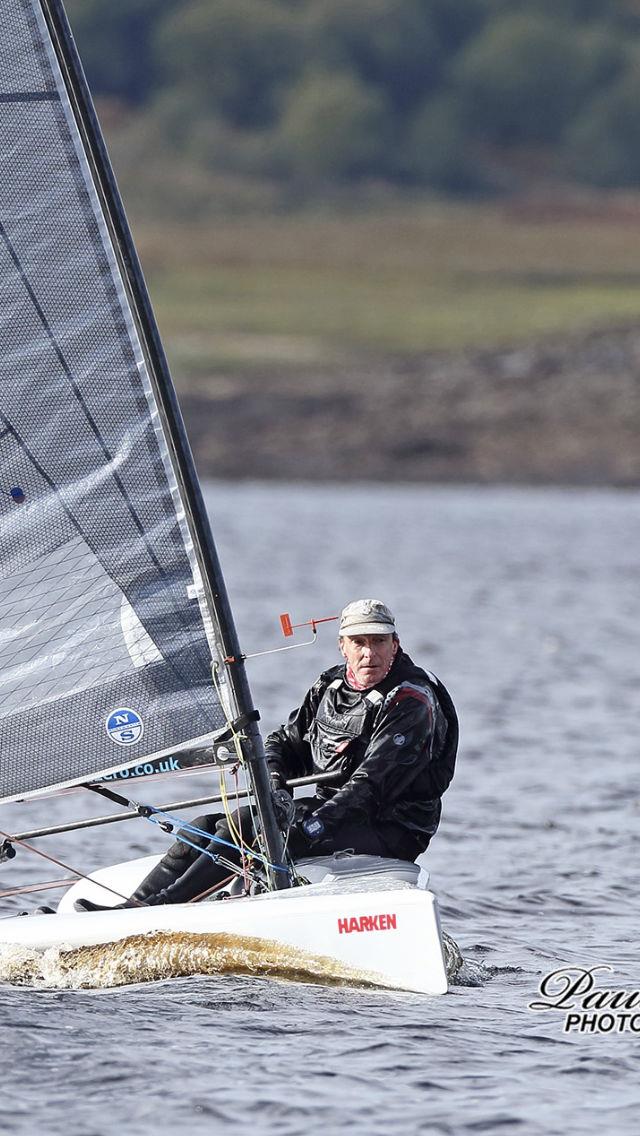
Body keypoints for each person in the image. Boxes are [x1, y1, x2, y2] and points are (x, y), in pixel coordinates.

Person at [75, 599, 458, 911]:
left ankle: (160, 908)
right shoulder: (331, 684)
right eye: (358, 642)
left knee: (249, 826)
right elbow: (283, 743)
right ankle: (135, 907)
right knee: (207, 824)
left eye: (378, 642)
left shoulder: (412, 700)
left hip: (392, 826)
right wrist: (275, 789)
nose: (368, 653)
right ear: (342, 646)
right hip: (334, 813)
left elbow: (371, 785)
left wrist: (308, 826)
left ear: (395, 644)